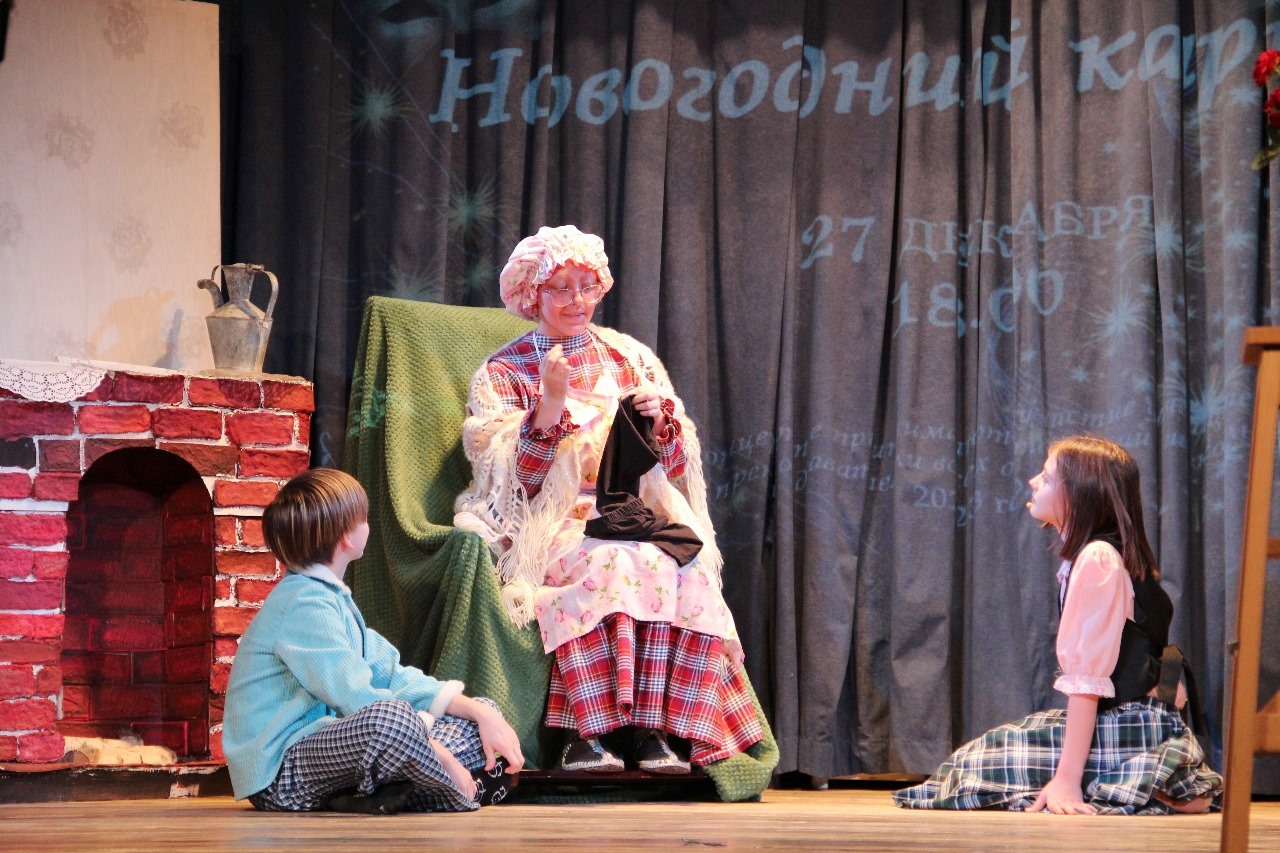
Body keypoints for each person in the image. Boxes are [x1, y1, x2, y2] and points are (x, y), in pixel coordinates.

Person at [454, 224, 763, 773]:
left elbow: (674, 467)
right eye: (560, 288)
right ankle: (585, 733)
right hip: (553, 521)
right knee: (611, 565)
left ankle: (653, 730)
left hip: (631, 513)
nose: (577, 300)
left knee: (681, 565)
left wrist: (660, 424)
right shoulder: (504, 371)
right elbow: (515, 483)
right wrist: (550, 403)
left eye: (587, 286)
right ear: (533, 293)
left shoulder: (628, 358)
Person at [893, 436, 1223, 814]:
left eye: (1047, 478)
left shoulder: (1098, 558)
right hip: (1141, 718)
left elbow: (1088, 683)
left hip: (1129, 722)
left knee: (970, 768)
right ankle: (1145, 779)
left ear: (1081, 494)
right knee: (992, 750)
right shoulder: (1102, 554)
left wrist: (1067, 779)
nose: (1033, 482)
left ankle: (1136, 778)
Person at [224, 468, 524, 813]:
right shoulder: (301, 604)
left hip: (335, 762)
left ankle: (390, 792)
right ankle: (455, 787)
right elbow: (355, 696)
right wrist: (441, 755)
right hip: (282, 775)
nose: (368, 526)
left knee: (480, 713)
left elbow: (393, 675)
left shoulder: (333, 600)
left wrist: (479, 712)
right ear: (346, 538)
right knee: (389, 720)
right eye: (364, 519)